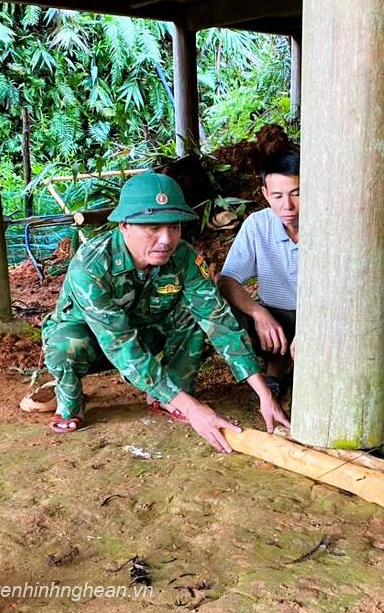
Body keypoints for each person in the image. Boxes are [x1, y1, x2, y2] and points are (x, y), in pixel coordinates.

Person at [40, 171, 289, 452]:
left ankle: (166, 395)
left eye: (174, 227)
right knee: (63, 346)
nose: (166, 239)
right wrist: (195, 410)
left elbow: (217, 319)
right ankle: (71, 402)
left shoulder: (183, 258)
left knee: (196, 315)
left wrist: (263, 392)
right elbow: (121, 346)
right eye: (152, 227)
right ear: (123, 225)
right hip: (96, 342)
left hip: (148, 331)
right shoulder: (91, 267)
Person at [217, 146, 300, 399]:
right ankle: (274, 370)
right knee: (225, 313)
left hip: (326, 314)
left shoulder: (332, 224)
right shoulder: (257, 225)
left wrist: (312, 329)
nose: (287, 205)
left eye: (297, 194)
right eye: (277, 196)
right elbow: (226, 281)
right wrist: (258, 312)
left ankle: (293, 373)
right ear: (265, 194)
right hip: (279, 315)